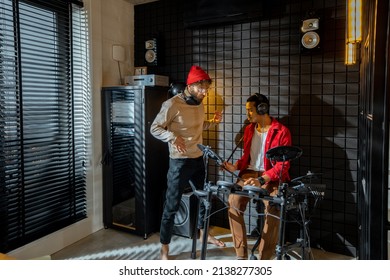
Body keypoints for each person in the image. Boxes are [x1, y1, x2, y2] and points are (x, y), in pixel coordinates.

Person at [150, 65, 225, 260]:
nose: (204, 92)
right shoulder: (172, 104)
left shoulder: (199, 103)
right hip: (179, 163)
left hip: (198, 159)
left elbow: (199, 126)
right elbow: (154, 128)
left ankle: (202, 235)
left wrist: (212, 121)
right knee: (172, 205)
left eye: (206, 89)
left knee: (204, 200)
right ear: (190, 85)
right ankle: (164, 249)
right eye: (201, 88)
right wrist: (172, 137)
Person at [223, 93, 292, 260]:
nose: (247, 114)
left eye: (250, 110)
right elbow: (248, 156)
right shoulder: (248, 129)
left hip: (271, 177)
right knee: (233, 202)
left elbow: (283, 165)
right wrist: (235, 166)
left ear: (262, 109)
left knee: (274, 207)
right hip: (249, 173)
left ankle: (264, 258)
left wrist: (262, 179)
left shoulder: (281, 131)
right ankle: (241, 255)